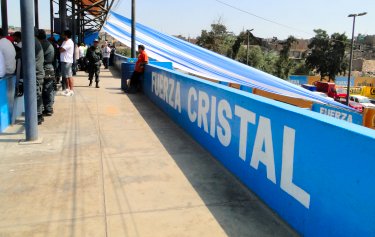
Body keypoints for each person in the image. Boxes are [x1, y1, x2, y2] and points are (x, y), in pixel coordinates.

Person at [37, 29, 55, 117]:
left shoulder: (41, 44)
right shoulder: (48, 44)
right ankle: (49, 108)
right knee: (49, 89)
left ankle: (46, 109)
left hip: (45, 68)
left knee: (43, 90)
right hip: (50, 68)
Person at [34, 30, 45, 125]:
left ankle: (38, 116)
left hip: (37, 73)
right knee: (38, 94)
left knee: (37, 95)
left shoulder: (33, 41)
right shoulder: (36, 42)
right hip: (39, 72)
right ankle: (39, 114)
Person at [59, 30, 74, 96]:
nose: (62, 35)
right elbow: (60, 49)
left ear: (66, 35)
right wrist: (60, 48)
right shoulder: (64, 42)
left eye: (63, 34)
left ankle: (71, 90)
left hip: (67, 61)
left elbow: (61, 50)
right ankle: (67, 89)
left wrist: (60, 48)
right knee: (65, 76)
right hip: (63, 60)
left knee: (69, 76)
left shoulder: (69, 42)